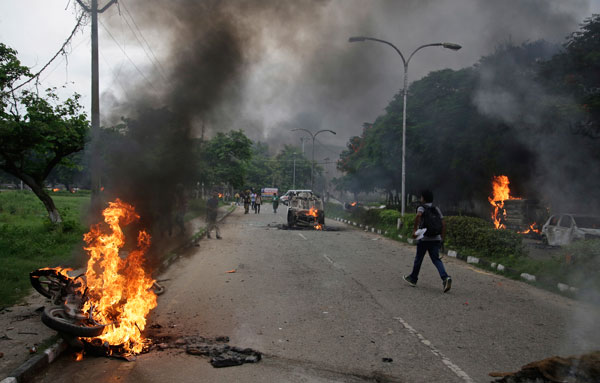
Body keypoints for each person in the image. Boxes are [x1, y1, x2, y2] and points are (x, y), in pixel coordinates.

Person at [403, 190, 452, 293]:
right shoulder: (436, 209)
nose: (420, 199)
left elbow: (418, 216)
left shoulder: (422, 207)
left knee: (418, 259)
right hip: (436, 239)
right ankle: (445, 278)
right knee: (436, 260)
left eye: (421, 197)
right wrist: (442, 239)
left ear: (423, 199)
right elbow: (443, 223)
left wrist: (415, 230)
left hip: (424, 239)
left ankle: (413, 278)